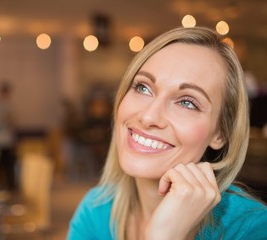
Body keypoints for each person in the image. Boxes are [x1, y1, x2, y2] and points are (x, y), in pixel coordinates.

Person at [67, 27, 267, 239]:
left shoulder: (253, 229)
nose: (149, 117)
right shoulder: (95, 210)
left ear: (221, 134)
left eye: (187, 102)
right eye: (143, 87)